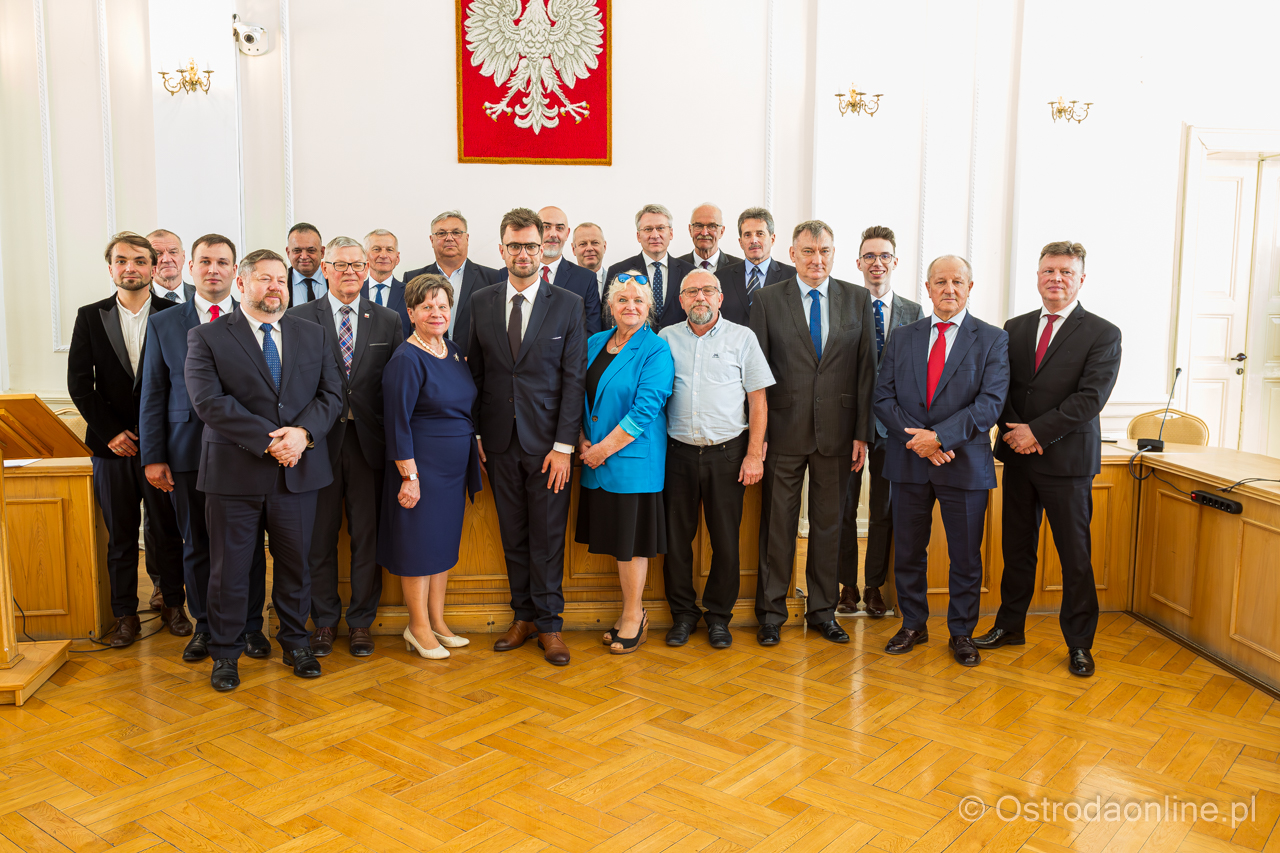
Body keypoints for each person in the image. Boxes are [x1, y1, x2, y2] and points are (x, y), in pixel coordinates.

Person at [186, 248, 343, 691]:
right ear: (242, 283)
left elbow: (331, 396)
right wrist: (270, 440)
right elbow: (209, 403)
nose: (275, 287)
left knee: (297, 565)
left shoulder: (312, 333)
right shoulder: (208, 336)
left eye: (281, 280)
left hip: (298, 471)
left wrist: (303, 436)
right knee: (230, 570)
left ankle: (296, 642)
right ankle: (226, 653)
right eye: (265, 279)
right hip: (234, 474)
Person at [975, 241, 1122, 678]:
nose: (1055, 278)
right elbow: (998, 387)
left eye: (1064, 272)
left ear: (1080, 279)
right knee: (1016, 549)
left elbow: (1090, 399)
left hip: (1068, 463)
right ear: (1037, 276)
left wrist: (1037, 433)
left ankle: (1079, 643)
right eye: (1048, 271)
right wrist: (1017, 431)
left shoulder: (1102, 332)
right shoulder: (1014, 328)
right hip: (1018, 458)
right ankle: (1010, 626)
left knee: (1074, 556)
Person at [140, 233, 270, 663]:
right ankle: (206, 627)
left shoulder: (254, 318)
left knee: (247, 546)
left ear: (236, 272)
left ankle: (251, 627)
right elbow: (153, 393)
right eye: (205, 261)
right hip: (186, 453)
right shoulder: (163, 323)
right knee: (196, 543)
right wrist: (154, 456)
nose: (213, 269)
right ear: (190, 269)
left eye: (222, 262)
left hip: (240, 452)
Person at [874, 255, 1009, 667]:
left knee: (965, 555)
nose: (948, 289)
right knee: (910, 550)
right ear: (928, 288)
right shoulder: (903, 336)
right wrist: (921, 442)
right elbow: (883, 397)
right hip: (909, 461)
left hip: (964, 462)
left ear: (970, 287)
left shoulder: (991, 339)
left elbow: (990, 403)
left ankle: (962, 632)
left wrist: (941, 439)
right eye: (940, 281)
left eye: (957, 281)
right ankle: (913, 623)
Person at [468, 208, 587, 666]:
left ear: (544, 251)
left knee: (548, 536)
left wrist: (563, 447)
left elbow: (574, 380)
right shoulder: (481, 301)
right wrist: (475, 432)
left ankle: (551, 625)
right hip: (497, 442)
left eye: (531, 246)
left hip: (549, 449)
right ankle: (523, 617)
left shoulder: (568, 304)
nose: (523, 253)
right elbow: (473, 374)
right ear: (502, 250)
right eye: (514, 246)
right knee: (513, 535)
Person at [749, 220, 875, 647]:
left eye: (823, 251)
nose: (816, 259)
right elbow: (756, 375)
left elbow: (866, 371)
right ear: (792, 253)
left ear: (834, 254)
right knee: (777, 527)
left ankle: (823, 611)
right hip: (781, 431)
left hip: (839, 435)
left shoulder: (857, 298)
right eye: (807, 251)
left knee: (828, 526)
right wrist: (757, 434)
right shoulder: (767, 301)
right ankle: (770, 613)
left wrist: (862, 433)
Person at [68, 231, 187, 647]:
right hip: (111, 449)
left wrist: (159, 437)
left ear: (154, 267)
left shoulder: (177, 313)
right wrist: (111, 433)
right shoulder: (89, 316)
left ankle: (174, 604)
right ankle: (124, 616)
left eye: (139, 261)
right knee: (120, 537)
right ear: (111, 268)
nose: (130, 268)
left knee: (168, 530)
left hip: (163, 447)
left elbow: (181, 383)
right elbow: (80, 385)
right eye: (122, 261)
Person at [288, 236, 404, 658]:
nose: (351, 272)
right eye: (341, 265)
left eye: (357, 264)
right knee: (318, 539)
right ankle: (323, 622)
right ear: (325, 268)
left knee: (365, 537)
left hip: (369, 444)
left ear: (367, 267)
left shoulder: (389, 319)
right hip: (317, 443)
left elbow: (397, 384)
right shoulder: (299, 317)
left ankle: (360, 622)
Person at [659, 269, 772, 649]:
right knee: (677, 541)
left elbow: (758, 400)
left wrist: (754, 454)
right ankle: (683, 616)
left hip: (728, 454)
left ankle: (719, 618)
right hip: (677, 455)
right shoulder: (665, 338)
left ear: (720, 298)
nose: (700, 298)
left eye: (708, 290)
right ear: (681, 301)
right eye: (692, 292)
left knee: (726, 541)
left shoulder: (743, 338)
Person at [378, 274, 482, 659]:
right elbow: (397, 423)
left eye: (442, 306)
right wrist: (410, 477)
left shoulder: (451, 349)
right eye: (427, 307)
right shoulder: (406, 358)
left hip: (453, 469)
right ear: (411, 312)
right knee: (418, 549)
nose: (436, 313)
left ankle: (437, 622)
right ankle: (417, 626)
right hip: (421, 470)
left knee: (441, 547)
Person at [576, 272, 675, 654]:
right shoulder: (595, 342)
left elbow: (647, 408)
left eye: (637, 300)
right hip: (595, 458)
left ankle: (634, 615)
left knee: (631, 545)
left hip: (631, 461)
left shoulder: (655, 348)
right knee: (617, 541)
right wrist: (583, 439)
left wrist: (601, 450)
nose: (630, 306)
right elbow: (579, 395)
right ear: (610, 307)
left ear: (649, 307)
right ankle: (627, 612)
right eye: (621, 300)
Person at [836, 226, 924, 618]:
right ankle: (846, 587)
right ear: (858, 263)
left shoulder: (913, 312)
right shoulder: (844, 307)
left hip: (895, 426)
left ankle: (874, 586)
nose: (877, 263)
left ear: (895, 262)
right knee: (842, 508)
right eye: (869, 256)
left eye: (884, 255)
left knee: (884, 509)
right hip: (848, 425)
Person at [401, 210, 504, 356]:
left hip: (476, 368)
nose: (449, 238)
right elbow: (407, 328)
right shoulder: (413, 279)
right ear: (431, 240)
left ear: (467, 238)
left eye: (456, 232)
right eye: (441, 233)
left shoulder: (493, 278)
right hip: (426, 364)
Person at [605, 204, 695, 331]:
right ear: (638, 236)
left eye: (660, 228)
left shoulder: (690, 272)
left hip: (678, 346)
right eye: (648, 229)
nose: (655, 235)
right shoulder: (619, 271)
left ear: (671, 233)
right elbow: (609, 318)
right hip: (634, 345)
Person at [714, 207, 795, 326]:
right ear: (740, 242)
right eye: (747, 235)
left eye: (760, 234)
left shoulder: (792, 277)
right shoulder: (721, 278)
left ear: (772, 239)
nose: (754, 240)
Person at [537, 206, 603, 334]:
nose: (553, 234)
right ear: (535, 231)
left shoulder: (586, 279)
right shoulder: (511, 274)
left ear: (567, 234)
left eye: (559, 228)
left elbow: (591, 333)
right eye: (546, 227)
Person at [360, 228, 410, 336]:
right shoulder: (354, 292)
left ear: (397, 258)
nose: (383, 255)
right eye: (376, 249)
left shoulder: (411, 293)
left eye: (389, 250)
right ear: (365, 256)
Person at [676, 203, 742, 273]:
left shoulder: (740, 268)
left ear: (721, 231)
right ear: (690, 230)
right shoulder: (675, 268)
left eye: (712, 226)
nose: (704, 233)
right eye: (698, 226)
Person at [286, 222, 326, 306]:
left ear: (322, 252)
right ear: (288, 253)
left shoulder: (336, 279)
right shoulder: (278, 284)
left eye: (311, 250)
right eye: (297, 250)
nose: (304, 256)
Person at [148, 229, 193, 302]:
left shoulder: (202, 295)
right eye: (157, 254)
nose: (167, 259)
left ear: (183, 257)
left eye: (173, 252)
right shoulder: (138, 299)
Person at [571, 221, 608, 303]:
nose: (589, 248)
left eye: (595, 243)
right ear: (573, 249)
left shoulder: (618, 283)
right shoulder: (563, 285)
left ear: (604, 247)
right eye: (583, 244)